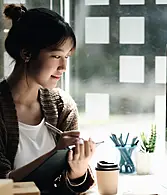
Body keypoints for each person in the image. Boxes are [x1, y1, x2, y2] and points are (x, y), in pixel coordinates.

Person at [0, 4, 96, 194]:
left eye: (67, 57)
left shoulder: (62, 106)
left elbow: (70, 188)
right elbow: (3, 183)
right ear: (26, 54)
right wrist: (54, 155)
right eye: (56, 56)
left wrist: (77, 171)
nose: (63, 67)